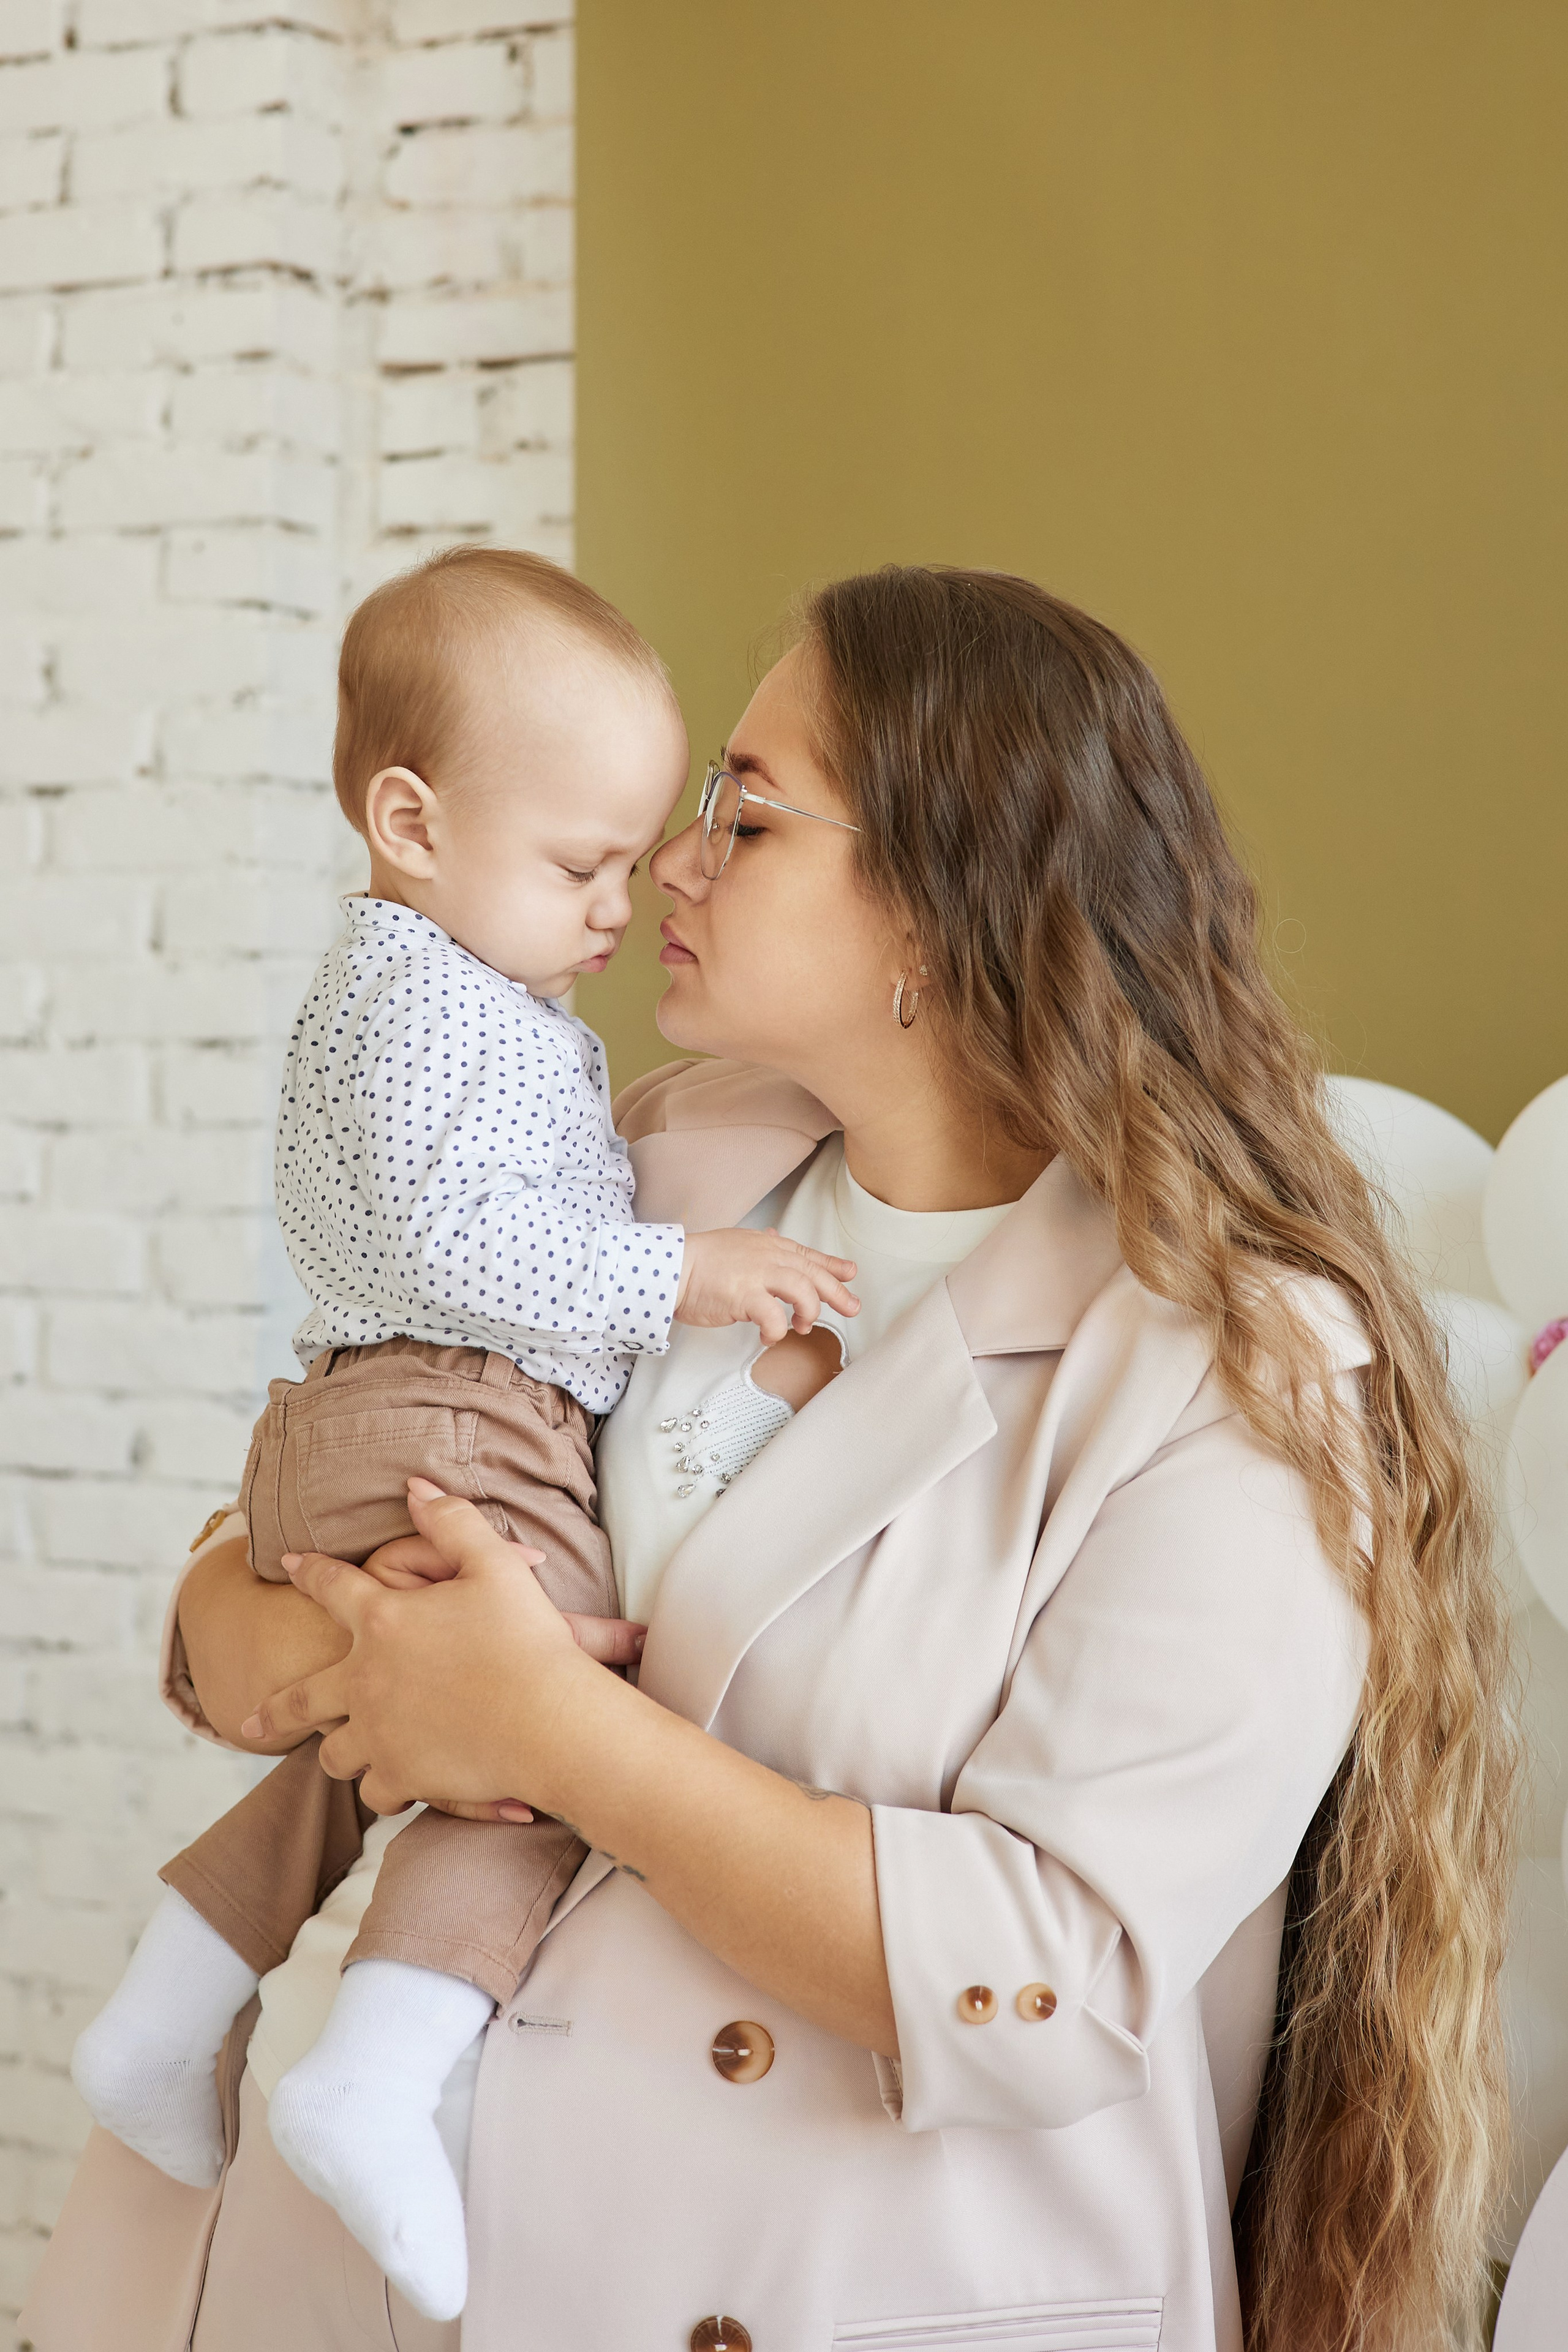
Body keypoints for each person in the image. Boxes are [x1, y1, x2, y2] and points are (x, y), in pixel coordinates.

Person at [24, 565, 1518, 2352]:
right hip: (319, 2258)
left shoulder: (1236, 1369)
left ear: (943, 902)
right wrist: (266, 1632)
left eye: (749, 810)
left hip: (793, 2289)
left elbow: (1051, 1970)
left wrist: (550, 1730)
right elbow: (347, 1472)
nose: (670, 858)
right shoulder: (652, 1157)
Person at [64, 546, 858, 2324]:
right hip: (454, 1407)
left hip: (381, 1406)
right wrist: (690, 1275)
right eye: (586, 862)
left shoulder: (451, 993)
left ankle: (180, 1996)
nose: (631, 891)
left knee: (393, 1737)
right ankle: (384, 2060)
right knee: (536, 1729)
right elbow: (454, 1241)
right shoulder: (434, 1003)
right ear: (412, 827)